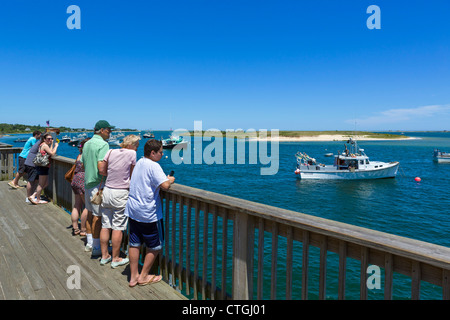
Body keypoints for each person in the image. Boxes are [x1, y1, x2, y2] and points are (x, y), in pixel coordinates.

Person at [125, 139, 175, 287]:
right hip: (148, 213)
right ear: (153, 153)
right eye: (160, 152)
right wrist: (170, 179)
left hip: (133, 210)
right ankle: (144, 276)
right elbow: (165, 186)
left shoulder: (140, 162)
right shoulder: (154, 165)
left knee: (135, 243)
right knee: (156, 245)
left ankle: (133, 276)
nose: (162, 154)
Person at [98, 134, 139, 268]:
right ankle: (115, 258)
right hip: (121, 192)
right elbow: (133, 174)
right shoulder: (132, 154)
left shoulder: (110, 151)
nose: (137, 148)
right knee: (118, 227)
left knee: (105, 225)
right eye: (136, 145)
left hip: (107, 190)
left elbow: (102, 170)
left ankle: (104, 256)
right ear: (131, 145)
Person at [81, 120, 113, 257]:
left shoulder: (87, 143)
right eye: (108, 130)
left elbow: (82, 164)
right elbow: (102, 168)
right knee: (98, 217)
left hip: (87, 182)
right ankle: (96, 247)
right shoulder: (103, 145)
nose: (110, 132)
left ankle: (89, 243)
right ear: (101, 130)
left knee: (89, 213)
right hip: (98, 185)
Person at [29, 133, 59, 205]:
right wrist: (56, 146)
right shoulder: (45, 145)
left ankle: (33, 195)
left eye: (51, 139)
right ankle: (37, 199)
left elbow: (49, 151)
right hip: (43, 167)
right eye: (48, 139)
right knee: (41, 184)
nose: (50, 140)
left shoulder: (43, 145)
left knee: (46, 183)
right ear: (44, 139)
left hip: (43, 166)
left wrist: (51, 145)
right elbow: (52, 153)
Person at [70, 138, 90, 236]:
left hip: (75, 179)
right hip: (83, 180)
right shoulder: (88, 156)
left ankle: (75, 228)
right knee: (87, 206)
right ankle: (83, 229)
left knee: (76, 205)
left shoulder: (79, 155)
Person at [23, 139, 41, 203]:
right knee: (31, 181)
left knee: (35, 181)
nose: (50, 140)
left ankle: (32, 196)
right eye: (48, 139)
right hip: (32, 164)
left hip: (31, 164)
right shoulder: (40, 144)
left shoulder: (38, 143)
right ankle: (28, 197)